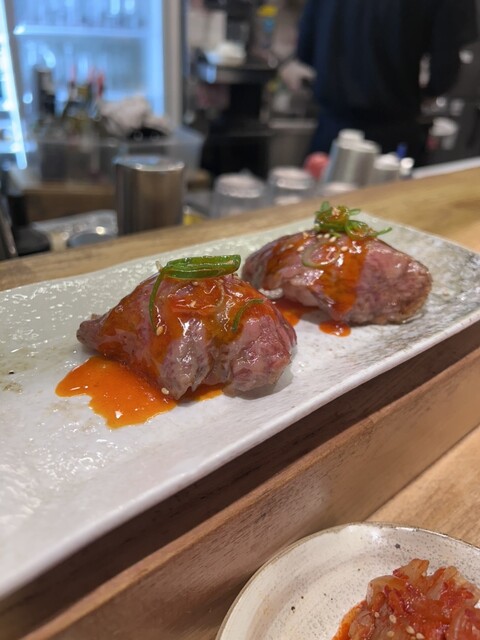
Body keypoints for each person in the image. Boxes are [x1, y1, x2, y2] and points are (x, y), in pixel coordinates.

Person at [296, 0, 479, 163]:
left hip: (330, 132)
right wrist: (428, 92)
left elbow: (305, 50)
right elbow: (444, 70)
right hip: (392, 139)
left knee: (324, 189)